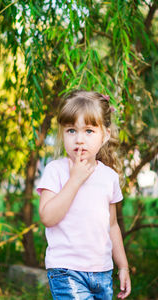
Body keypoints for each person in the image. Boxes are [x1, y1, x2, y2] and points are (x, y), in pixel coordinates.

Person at [37, 90, 131, 299]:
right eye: (71, 130)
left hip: (103, 272)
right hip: (67, 271)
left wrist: (123, 266)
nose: (79, 139)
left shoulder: (109, 177)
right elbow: (47, 217)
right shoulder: (56, 171)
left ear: (105, 135)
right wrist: (75, 180)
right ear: (62, 133)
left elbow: (112, 225)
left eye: (88, 131)